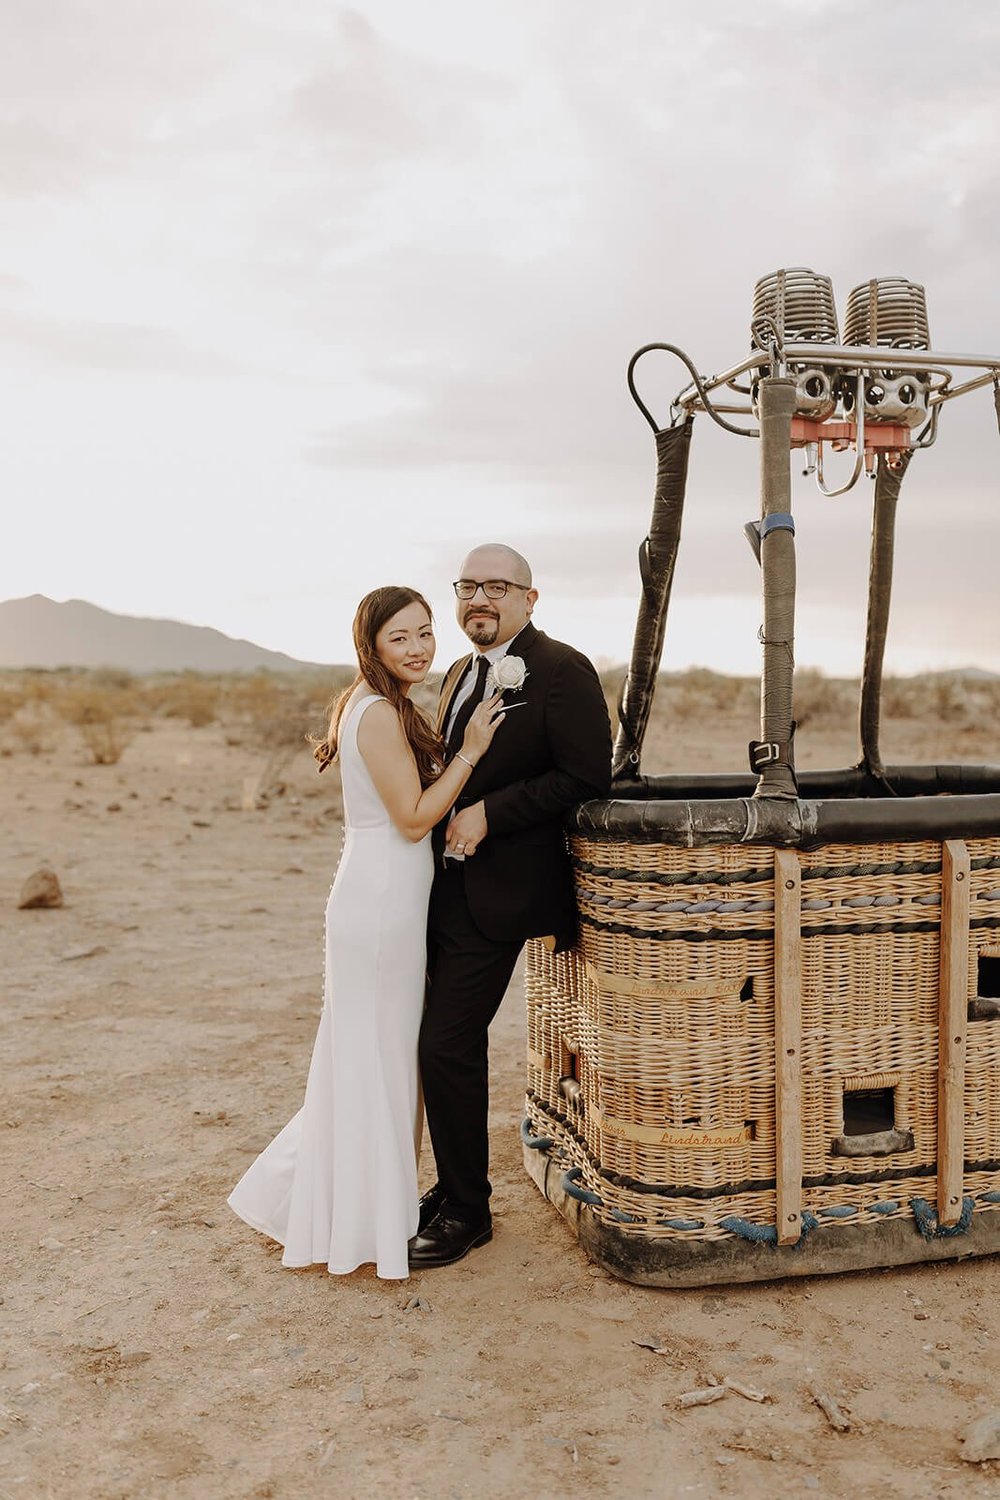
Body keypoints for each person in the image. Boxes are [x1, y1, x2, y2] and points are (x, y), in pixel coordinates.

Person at [227, 586, 503, 1280]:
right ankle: (358, 1219)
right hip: (380, 903)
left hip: (387, 897)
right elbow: (412, 820)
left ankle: (364, 1208)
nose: (417, 648)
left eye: (425, 633)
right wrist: (469, 752)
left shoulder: (384, 706)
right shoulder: (378, 713)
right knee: (376, 1060)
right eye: (400, 638)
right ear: (371, 646)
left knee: (376, 1058)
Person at [409, 544, 612, 1270]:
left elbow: (588, 776)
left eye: (497, 587)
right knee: (438, 1043)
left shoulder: (563, 669)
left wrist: (493, 810)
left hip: (504, 890)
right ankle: (453, 1188)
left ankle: (468, 1210)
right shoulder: (461, 670)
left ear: (531, 597)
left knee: (446, 1042)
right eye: (467, 587)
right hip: (442, 884)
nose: (479, 600)